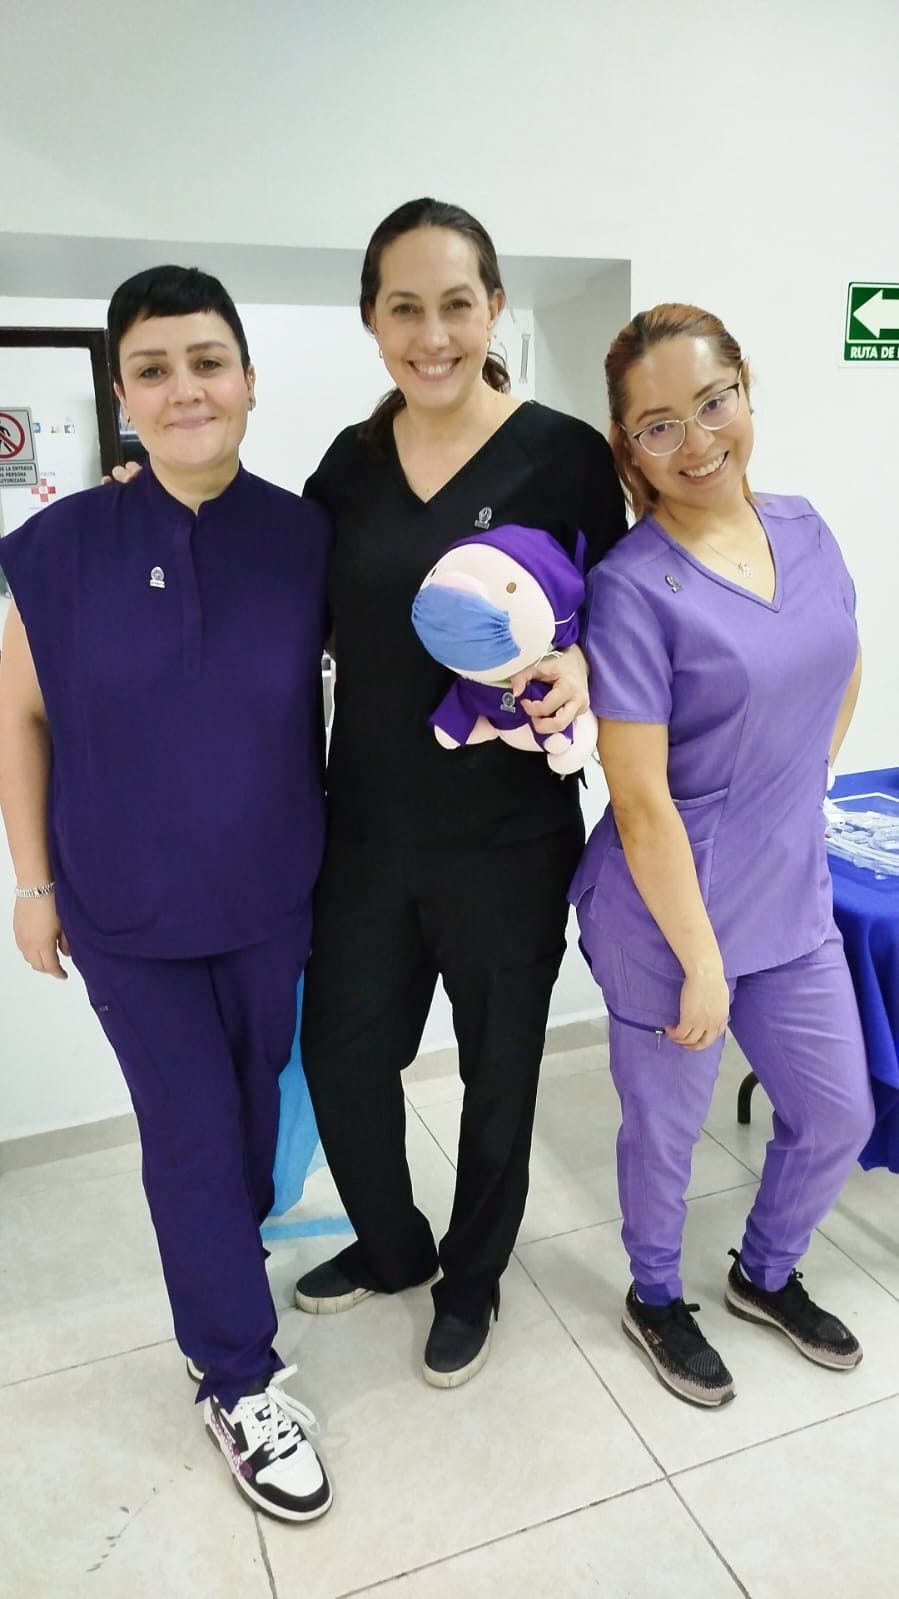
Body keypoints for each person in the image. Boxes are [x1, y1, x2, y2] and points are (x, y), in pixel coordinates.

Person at [0, 266, 333, 1521]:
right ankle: (235, 1376)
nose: (184, 388)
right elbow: (19, 718)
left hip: (269, 896)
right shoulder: (61, 549)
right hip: (125, 908)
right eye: (153, 369)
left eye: (206, 362)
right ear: (123, 395)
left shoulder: (305, 538)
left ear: (247, 379)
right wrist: (33, 884)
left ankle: (221, 1274)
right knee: (189, 1131)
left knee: (247, 1126)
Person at [293, 197, 627, 1387]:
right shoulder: (345, 468)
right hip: (364, 835)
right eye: (404, 308)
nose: (430, 334)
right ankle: (393, 1248)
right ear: (371, 320)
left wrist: (586, 666)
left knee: (497, 1075)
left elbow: (619, 610)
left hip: (507, 839)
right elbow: (289, 621)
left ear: (491, 307)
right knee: (342, 1055)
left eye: (454, 304)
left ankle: (472, 1277)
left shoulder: (562, 456)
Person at [569, 302, 875, 1407]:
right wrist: (699, 961)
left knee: (837, 1111)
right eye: (659, 426)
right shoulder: (631, 585)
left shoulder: (804, 526)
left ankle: (764, 1273)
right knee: (666, 1131)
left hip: (783, 890)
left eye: (713, 403)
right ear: (628, 446)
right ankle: (654, 1295)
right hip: (666, 909)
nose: (696, 442)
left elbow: (839, 655)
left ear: (744, 391)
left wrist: (803, 783)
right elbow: (638, 798)